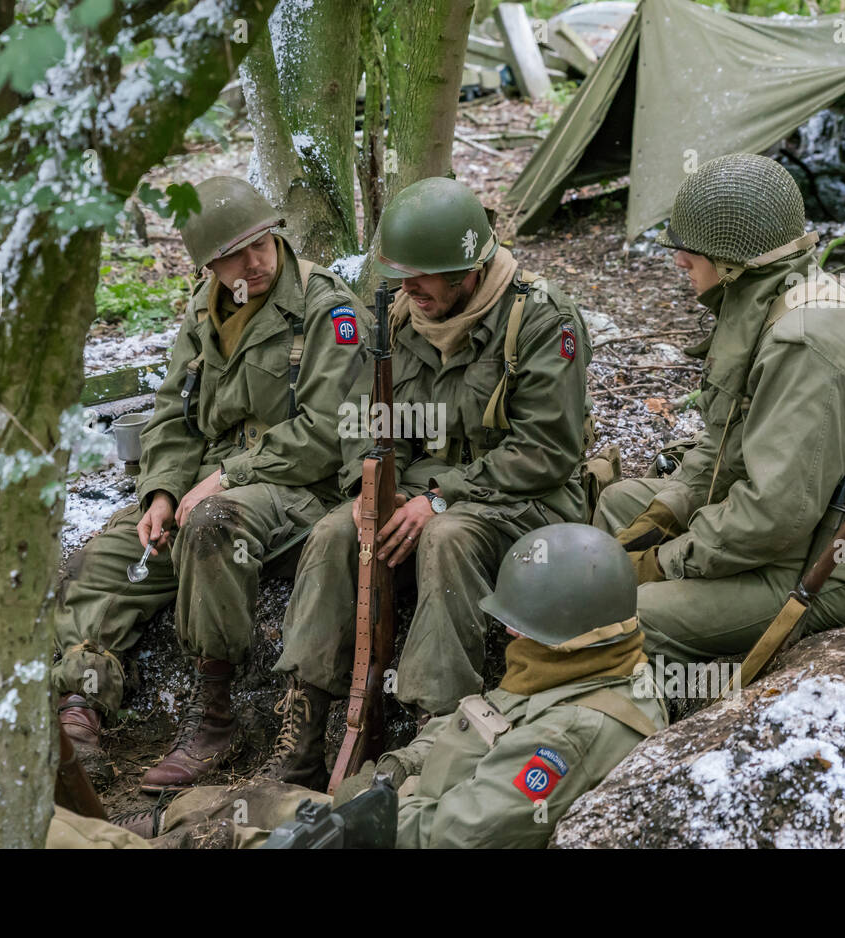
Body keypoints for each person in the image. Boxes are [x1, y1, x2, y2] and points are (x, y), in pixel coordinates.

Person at [251, 176, 594, 789]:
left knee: (448, 539)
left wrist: (441, 497)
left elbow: (546, 451)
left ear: (468, 268)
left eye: (426, 274)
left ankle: (435, 730)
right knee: (334, 532)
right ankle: (303, 726)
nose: (410, 286)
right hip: (420, 491)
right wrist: (371, 487)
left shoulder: (539, 319)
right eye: (402, 272)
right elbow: (361, 416)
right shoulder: (400, 316)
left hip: (522, 501)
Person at [52, 176, 372, 790]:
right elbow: (173, 413)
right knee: (111, 554)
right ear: (208, 264)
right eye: (233, 254)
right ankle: (82, 704)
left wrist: (228, 476)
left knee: (211, 524)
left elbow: (331, 431)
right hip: (211, 485)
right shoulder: (205, 311)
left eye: (261, 243)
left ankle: (214, 716)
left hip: (298, 488)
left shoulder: (327, 310)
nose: (253, 261)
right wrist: (161, 492)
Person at [593, 153, 845, 666]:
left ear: (731, 261)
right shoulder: (766, 299)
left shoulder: (804, 343)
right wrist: (670, 509)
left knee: (622, 613)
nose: (679, 261)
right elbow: (726, 444)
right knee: (622, 504)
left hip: (840, 566)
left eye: (690, 250)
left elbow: (776, 517)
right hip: (800, 530)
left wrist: (666, 561)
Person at [108, 525, 666, 849]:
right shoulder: (583, 660)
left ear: (559, 628)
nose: (508, 632)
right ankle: (160, 821)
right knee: (247, 803)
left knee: (240, 831)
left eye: (520, 623)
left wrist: (368, 814)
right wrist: (398, 767)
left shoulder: (570, 735)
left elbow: (460, 835)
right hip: (412, 803)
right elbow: (484, 718)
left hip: (409, 834)